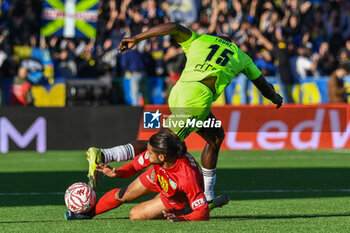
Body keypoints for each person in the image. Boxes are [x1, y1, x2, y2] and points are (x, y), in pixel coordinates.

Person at [87, 22, 283, 207]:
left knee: (215, 136)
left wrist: (137, 38)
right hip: (197, 100)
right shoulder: (241, 56)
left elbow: (172, 27)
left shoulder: (201, 39)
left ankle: (207, 195)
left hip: (179, 91)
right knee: (161, 144)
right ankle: (104, 154)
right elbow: (262, 85)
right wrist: (275, 97)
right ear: (232, 44)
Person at [67, 131, 209, 222]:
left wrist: (182, 218)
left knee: (135, 215)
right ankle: (88, 214)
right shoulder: (160, 155)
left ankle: (184, 209)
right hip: (159, 175)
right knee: (122, 195)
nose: (146, 154)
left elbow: (203, 213)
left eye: (149, 153)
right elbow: (134, 166)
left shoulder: (186, 178)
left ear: (161, 157)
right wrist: (117, 173)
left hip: (175, 197)